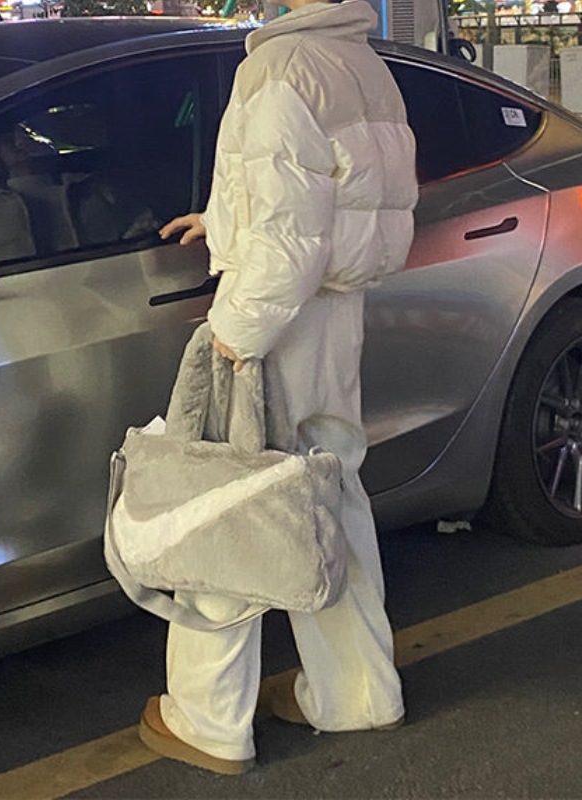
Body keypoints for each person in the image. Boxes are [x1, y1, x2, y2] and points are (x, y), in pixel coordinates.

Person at [139, 0, 418, 775]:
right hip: (337, 313)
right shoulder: (362, 62)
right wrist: (226, 218)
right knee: (329, 496)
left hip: (274, 317)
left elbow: (291, 232)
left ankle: (208, 719)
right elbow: (330, 198)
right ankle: (360, 692)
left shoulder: (280, 65)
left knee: (227, 504)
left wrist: (236, 331)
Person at [0, 123, 158, 262]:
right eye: (10, 139)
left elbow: (146, 230)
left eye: (30, 134)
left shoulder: (96, 188)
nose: (21, 142)